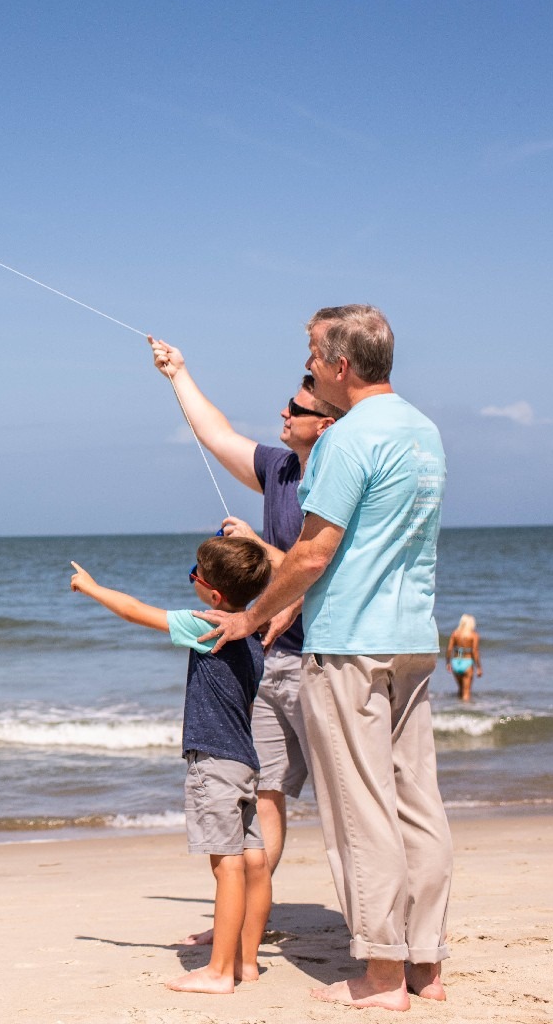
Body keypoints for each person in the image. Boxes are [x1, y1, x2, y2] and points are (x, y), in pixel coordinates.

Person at [197, 304, 451, 1011]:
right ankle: (425, 965)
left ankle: (380, 977)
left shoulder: (348, 440)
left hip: (348, 646)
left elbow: (313, 551)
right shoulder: (424, 431)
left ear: (341, 366)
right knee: (417, 805)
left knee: (360, 813)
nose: (307, 365)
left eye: (312, 353)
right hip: (409, 641)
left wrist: (250, 612)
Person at [150, 339, 345, 927]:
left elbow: (330, 565)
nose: (283, 414)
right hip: (272, 659)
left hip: (326, 662)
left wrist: (261, 549)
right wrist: (178, 373)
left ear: (326, 423)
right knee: (264, 797)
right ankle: (248, 922)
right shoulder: (279, 468)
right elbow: (216, 433)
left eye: (295, 408)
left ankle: (375, 928)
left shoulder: (345, 472)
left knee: (345, 805)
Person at [69, 536, 273, 994]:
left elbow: (134, 611)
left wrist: (92, 586)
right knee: (254, 861)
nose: (192, 582)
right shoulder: (255, 631)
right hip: (244, 761)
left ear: (213, 594)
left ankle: (220, 972)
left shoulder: (204, 624)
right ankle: (247, 962)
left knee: (228, 866)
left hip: (214, 762)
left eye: (194, 577)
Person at [446, 615, 482, 703]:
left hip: (455, 662)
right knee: (466, 692)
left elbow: (449, 649)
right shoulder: (473, 635)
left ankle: (458, 709)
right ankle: (465, 712)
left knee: (460, 689)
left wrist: (448, 663)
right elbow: (475, 652)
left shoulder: (455, 633)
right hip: (467, 663)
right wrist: (479, 667)